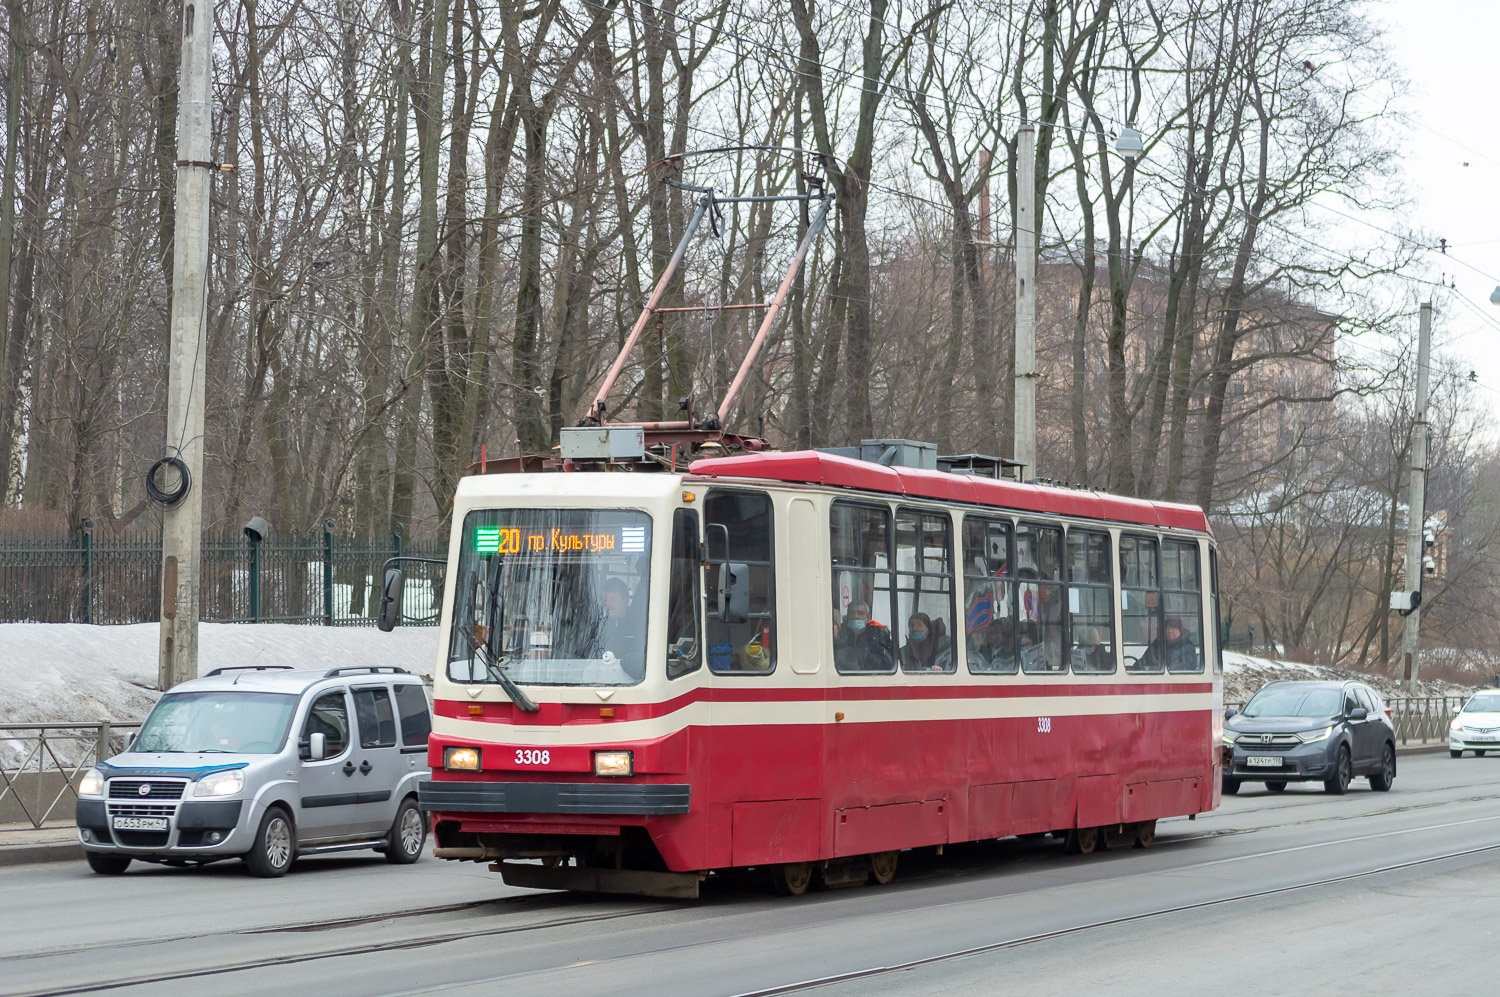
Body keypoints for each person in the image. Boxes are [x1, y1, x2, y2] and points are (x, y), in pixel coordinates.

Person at [837, 601, 893, 672]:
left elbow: (888, 663)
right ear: (847, 616)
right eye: (852, 613)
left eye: (861, 613)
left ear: (868, 618)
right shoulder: (840, 634)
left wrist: (860, 653)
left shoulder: (879, 636)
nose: (856, 616)